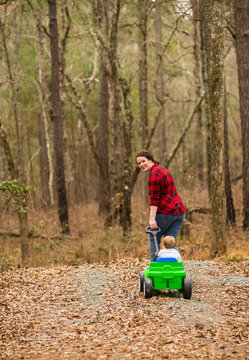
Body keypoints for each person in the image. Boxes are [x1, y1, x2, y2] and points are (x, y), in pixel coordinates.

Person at [136, 150, 186, 262]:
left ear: (150, 159)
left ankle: (155, 267)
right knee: (170, 243)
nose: (141, 165)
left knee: (154, 240)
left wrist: (152, 219)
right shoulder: (162, 169)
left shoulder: (154, 175)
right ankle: (177, 269)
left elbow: (154, 200)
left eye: (143, 161)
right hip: (179, 212)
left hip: (166, 213)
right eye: (139, 163)